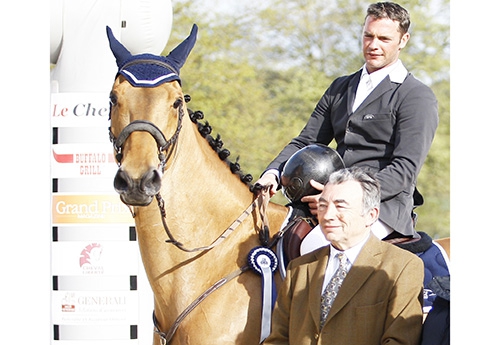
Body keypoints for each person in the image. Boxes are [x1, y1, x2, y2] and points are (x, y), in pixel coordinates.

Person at [255, 2, 438, 242]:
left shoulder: (416, 95)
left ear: (403, 40)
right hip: (328, 198)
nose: (373, 45)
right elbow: (307, 140)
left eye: (384, 38)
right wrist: (272, 175)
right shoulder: (340, 87)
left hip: (380, 207)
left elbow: (403, 170)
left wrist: (340, 195)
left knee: (315, 245)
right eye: (368, 36)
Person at [263, 168, 424, 345]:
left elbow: (400, 341)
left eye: (340, 206)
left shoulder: (402, 267)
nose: (328, 215)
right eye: (322, 206)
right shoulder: (299, 268)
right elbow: (278, 339)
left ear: (371, 215)